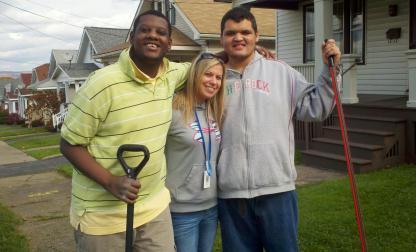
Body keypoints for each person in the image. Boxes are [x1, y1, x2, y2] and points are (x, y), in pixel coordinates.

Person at [60, 10, 190, 252]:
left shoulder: (171, 74)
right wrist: (110, 181)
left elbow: (205, 67)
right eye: (145, 30)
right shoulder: (102, 83)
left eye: (161, 32)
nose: (153, 36)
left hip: (154, 208)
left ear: (169, 43)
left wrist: (243, 55)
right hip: (102, 216)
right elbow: (69, 144)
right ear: (132, 37)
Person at [216, 7, 342, 252]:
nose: (238, 38)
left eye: (245, 32)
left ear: (257, 35)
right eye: (231, 33)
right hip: (231, 193)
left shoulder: (280, 71)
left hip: (278, 189)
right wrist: (214, 59)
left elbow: (314, 108)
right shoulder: (212, 76)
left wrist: (330, 71)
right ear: (222, 38)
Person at [165, 52, 225, 252]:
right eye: (208, 75)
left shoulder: (214, 110)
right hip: (182, 209)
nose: (214, 82)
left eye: (218, 77)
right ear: (195, 75)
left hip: (211, 206)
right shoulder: (172, 110)